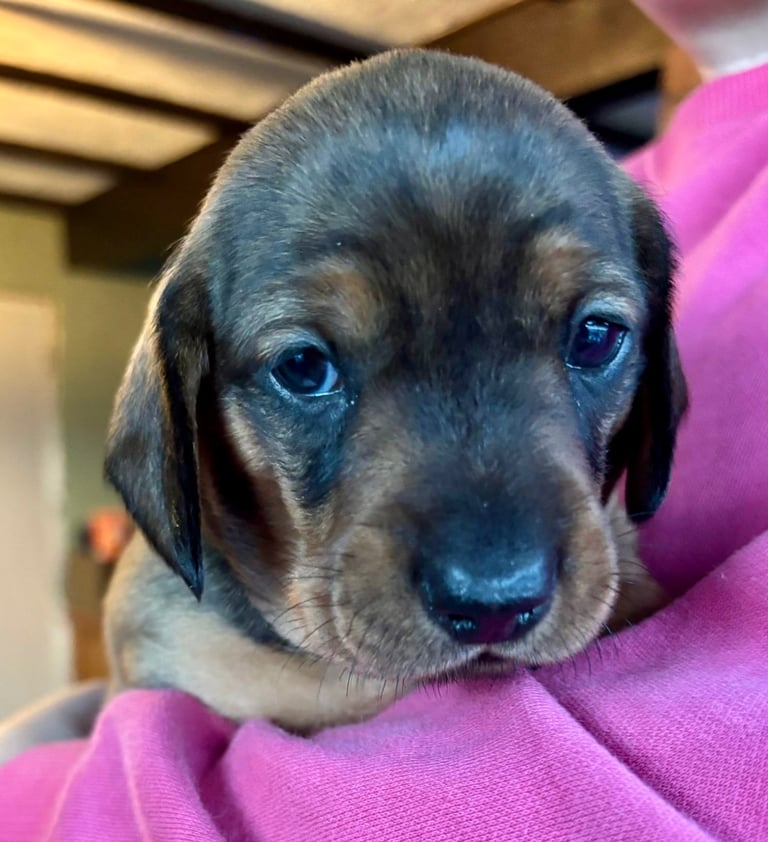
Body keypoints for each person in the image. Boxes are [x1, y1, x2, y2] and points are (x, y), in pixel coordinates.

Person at [1, 2, 766, 838]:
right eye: (306, 366)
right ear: (184, 415)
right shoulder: (172, 620)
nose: (497, 574)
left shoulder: (613, 220)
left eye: (591, 337)